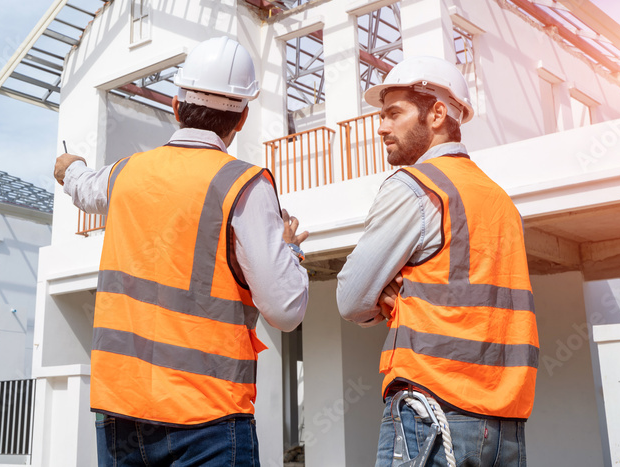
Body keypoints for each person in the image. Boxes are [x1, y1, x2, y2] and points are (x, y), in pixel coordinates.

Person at [54, 36, 309, 467]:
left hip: (122, 410)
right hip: (208, 416)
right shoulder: (243, 184)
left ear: (176, 106)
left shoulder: (127, 173)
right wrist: (288, 249)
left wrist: (69, 167)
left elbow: (84, 187)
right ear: (242, 118)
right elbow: (286, 309)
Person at [335, 56, 538, 467]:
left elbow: (350, 298)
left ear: (438, 114)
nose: (381, 127)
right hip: (504, 424)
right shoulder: (500, 200)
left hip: (431, 413)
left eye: (394, 113)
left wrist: (395, 297)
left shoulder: (416, 187)